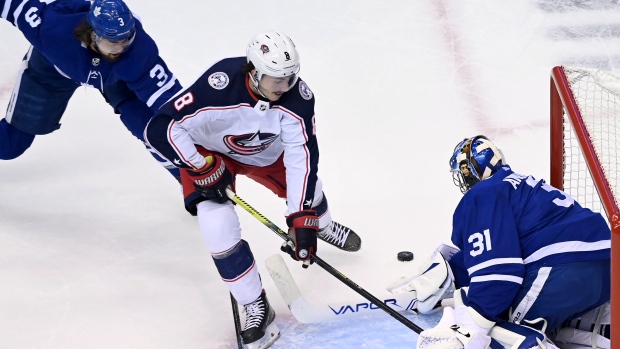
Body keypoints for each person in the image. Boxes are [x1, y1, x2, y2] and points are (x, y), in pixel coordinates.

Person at [144, 30, 361, 348]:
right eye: (276, 79)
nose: (285, 87)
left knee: (309, 191)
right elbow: (161, 128)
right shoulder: (219, 84)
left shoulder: (298, 99)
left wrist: (301, 218)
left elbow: (302, 157)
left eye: (290, 78)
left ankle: (324, 226)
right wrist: (199, 165)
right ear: (253, 71)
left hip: (265, 153)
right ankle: (254, 303)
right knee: (216, 226)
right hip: (211, 157)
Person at [387, 135, 611, 349]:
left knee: (499, 331)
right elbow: (504, 247)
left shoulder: (484, 193)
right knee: (543, 324)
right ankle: (596, 331)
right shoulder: (522, 184)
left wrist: (472, 325)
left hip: (561, 271)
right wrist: (450, 273)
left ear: (469, 172)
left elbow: (498, 275)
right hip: (608, 267)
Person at [0, 0, 182, 178]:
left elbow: (173, 104)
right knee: (10, 145)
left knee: (151, 125)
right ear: (93, 35)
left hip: (113, 76)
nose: (120, 47)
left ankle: (196, 188)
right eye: (112, 41)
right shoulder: (52, 31)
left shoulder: (136, 51)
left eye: (125, 39)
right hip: (52, 70)